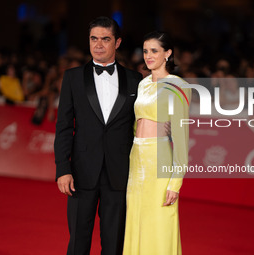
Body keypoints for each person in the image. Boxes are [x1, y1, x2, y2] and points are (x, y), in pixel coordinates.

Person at [54, 16, 142, 255]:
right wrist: (63, 169)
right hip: (81, 172)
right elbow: (63, 126)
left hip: (119, 172)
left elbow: (139, 128)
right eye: (94, 38)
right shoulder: (72, 77)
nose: (99, 44)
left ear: (118, 42)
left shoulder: (135, 80)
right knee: (78, 241)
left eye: (105, 39)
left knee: (114, 243)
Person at [123, 31, 191, 254]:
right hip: (136, 159)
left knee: (159, 222)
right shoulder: (142, 84)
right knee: (136, 217)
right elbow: (135, 124)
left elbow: (181, 139)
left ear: (167, 53)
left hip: (159, 158)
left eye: (154, 51)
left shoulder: (178, 86)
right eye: (145, 51)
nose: (148, 56)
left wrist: (175, 182)